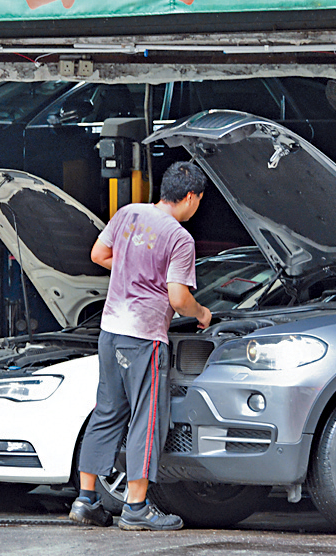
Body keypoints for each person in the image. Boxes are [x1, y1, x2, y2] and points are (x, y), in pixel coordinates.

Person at [69, 161, 212, 531]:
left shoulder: (128, 213)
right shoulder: (180, 239)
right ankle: (136, 507)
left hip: (110, 331)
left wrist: (130, 268)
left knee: (106, 413)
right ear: (192, 197)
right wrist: (203, 313)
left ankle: (86, 500)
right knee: (146, 422)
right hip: (143, 338)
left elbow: (98, 256)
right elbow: (179, 299)